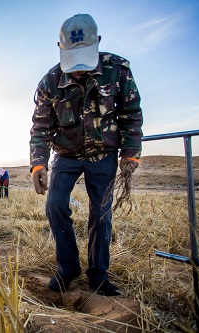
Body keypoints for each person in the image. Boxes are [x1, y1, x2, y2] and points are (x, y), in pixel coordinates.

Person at [29, 14, 143, 296]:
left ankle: (98, 275)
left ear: (98, 43)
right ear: (60, 47)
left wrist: (131, 154)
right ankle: (67, 270)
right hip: (66, 155)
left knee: (101, 213)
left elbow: (131, 114)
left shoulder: (118, 70)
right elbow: (41, 126)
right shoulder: (50, 82)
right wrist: (37, 164)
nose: (78, 70)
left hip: (103, 154)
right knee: (54, 205)